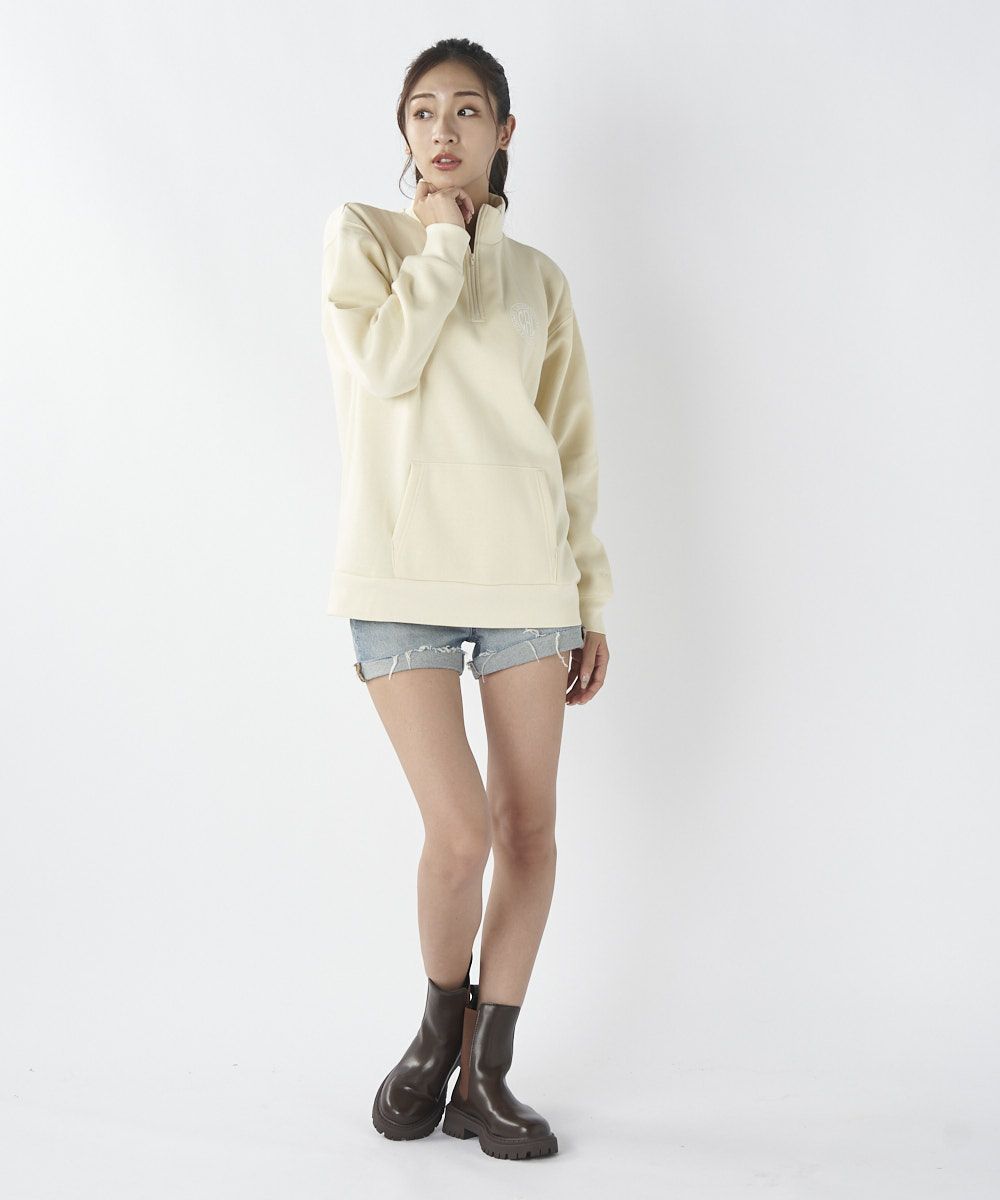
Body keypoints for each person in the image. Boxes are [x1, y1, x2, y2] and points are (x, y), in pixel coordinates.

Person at [320, 37, 613, 1161]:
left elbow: (570, 450)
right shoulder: (365, 237)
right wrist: (441, 243)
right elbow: (386, 368)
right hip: (400, 573)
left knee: (528, 830)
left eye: (467, 110)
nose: (442, 130)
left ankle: (488, 1073)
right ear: (404, 132)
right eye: (422, 112)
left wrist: (590, 597)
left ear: (504, 131)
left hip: (528, 577)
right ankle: (434, 1032)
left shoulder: (541, 280)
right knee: (458, 833)